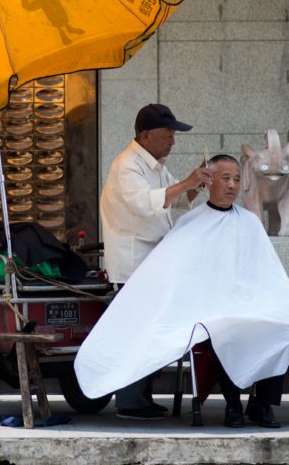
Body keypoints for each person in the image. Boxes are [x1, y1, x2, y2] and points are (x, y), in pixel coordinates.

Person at [76, 154, 289, 428]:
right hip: (210, 305)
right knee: (224, 326)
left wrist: (269, 299)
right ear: (209, 180)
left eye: (237, 180)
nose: (232, 185)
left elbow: (268, 272)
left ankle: (263, 405)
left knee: (280, 323)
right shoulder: (191, 223)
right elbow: (175, 273)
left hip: (251, 300)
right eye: (225, 178)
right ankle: (233, 406)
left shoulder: (251, 223)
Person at [99, 103, 213, 419]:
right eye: (168, 135)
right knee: (137, 333)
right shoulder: (127, 166)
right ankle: (129, 401)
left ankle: (140, 397)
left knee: (150, 331)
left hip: (155, 262)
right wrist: (188, 182)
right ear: (146, 135)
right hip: (134, 264)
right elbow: (147, 203)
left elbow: (174, 199)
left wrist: (198, 183)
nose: (173, 142)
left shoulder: (156, 165)